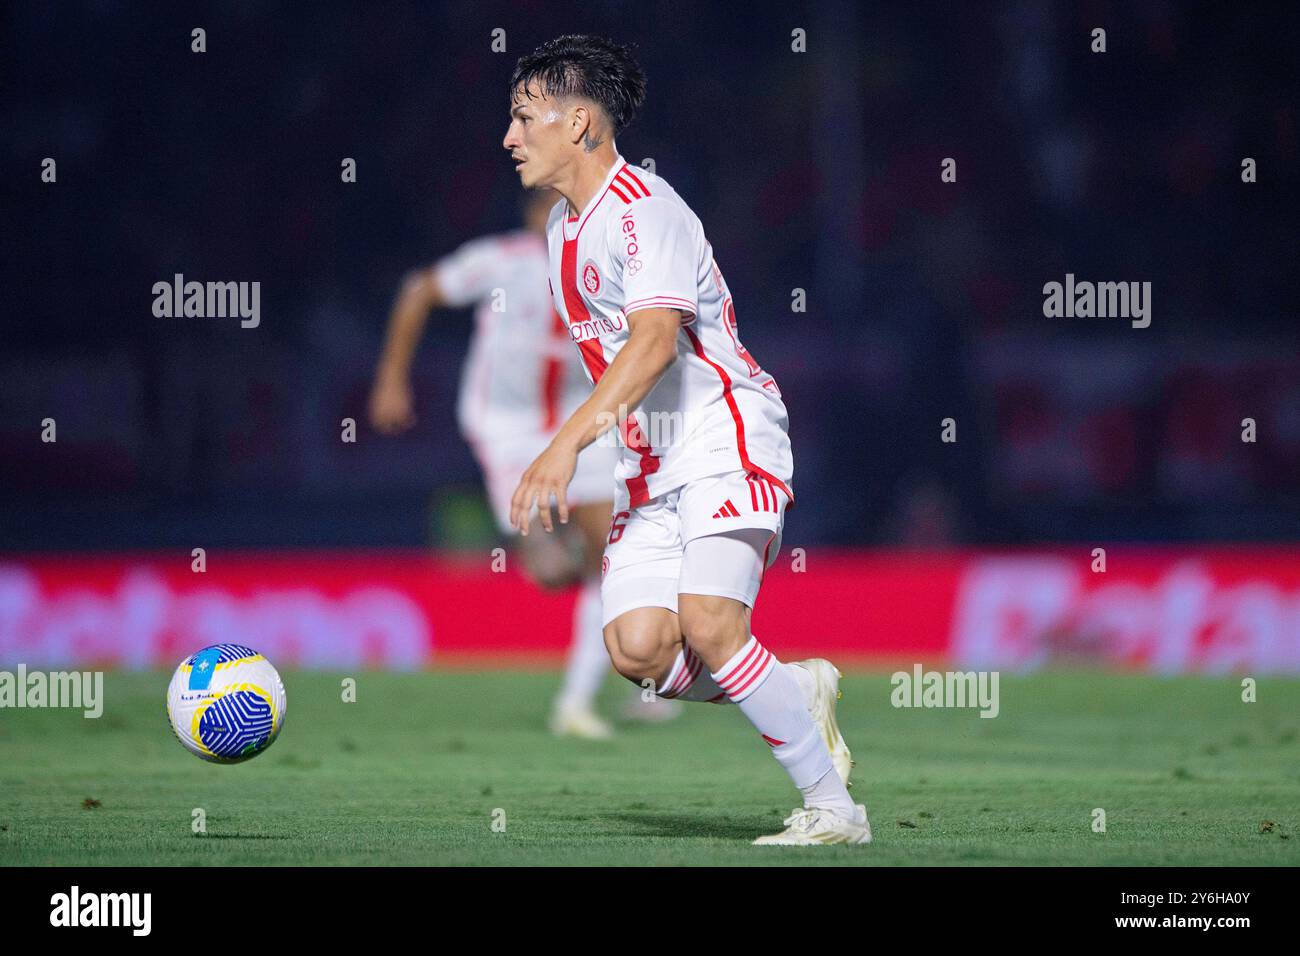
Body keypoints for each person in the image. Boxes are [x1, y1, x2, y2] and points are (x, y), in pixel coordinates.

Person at [501, 35, 870, 844]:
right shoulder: (564, 233)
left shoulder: (645, 211)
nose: (510, 137)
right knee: (641, 652)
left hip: (724, 435)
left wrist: (565, 444)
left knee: (709, 623)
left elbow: (655, 342)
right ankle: (788, 688)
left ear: (583, 123)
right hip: (648, 465)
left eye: (526, 117)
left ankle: (837, 812)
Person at [369, 189, 676, 738]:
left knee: (613, 549)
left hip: (577, 426)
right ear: (536, 216)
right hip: (505, 432)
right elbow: (418, 290)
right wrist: (392, 378)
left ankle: (583, 700)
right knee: (555, 571)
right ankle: (626, 664)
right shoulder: (501, 261)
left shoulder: (614, 267)